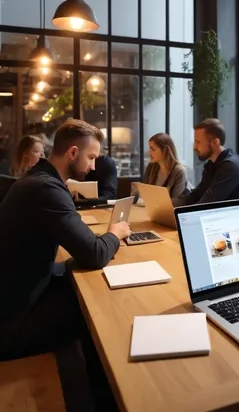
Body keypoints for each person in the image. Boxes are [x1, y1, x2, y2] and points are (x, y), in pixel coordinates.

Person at [0, 119, 130, 366]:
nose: (93, 167)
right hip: (12, 322)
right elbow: (94, 253)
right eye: (91, 157)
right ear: (72, 153)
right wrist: (115, 232)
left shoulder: (38, 178)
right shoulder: (46, 188)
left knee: (77, 280)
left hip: (17, 296)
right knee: (99, 309)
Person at [173, 118, 239, 206]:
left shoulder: (231, 166)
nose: (194, 147)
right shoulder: (211, 164)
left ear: (215, 142)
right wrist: (167, 205)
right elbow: (195, 196)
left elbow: (206, 204)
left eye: (198, 142)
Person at [141, 133, 190, 198]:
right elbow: (144, 191)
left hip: (168, 208)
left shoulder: (179, 171)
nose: (149, 153)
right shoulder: (151, 166)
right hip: (152, 206)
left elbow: (176, 201)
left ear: (165, 151)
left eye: (153, 149)